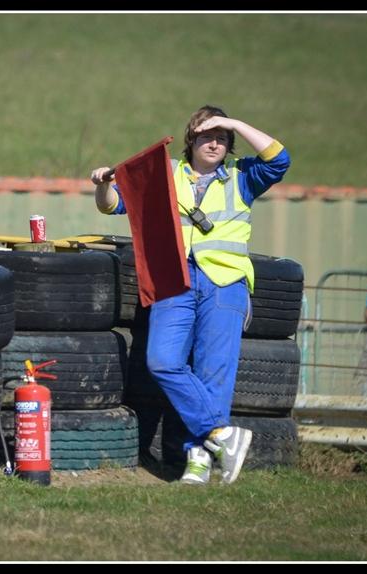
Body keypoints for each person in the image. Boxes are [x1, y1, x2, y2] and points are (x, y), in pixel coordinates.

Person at [90, 105, 291, 484]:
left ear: (230, 144)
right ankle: (221, 435)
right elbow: (112, 205)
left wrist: (232, 121)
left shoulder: (243, 175)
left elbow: (280, 158)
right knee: (163, 361)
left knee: (213, 372)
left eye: (222, 137)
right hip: (173, 279)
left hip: (225, 283)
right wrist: (102, 182)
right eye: (206, 135)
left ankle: (197, 459)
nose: (214, 142)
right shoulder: (165, 174)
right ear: (191, 140)